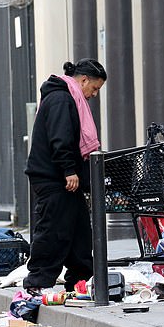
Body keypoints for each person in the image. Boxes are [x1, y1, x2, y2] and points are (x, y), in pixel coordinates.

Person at [23, 58, 107, 295]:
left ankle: (81, 279)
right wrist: (69, 170)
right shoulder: (61, 99)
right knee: (53, 229)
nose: (94, 94)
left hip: (61, 176)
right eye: (95, 88)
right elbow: (61, 137)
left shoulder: (68, 97)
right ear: (83, 80)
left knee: (79, 228)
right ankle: (37, 281)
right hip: (54, 176)